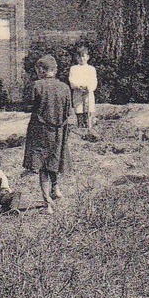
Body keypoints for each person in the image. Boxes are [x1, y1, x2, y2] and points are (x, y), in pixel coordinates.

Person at [23, 55, 74, 210]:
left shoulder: (37, 86)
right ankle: (56, 187)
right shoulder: (64, 87)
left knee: (42, 167)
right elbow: (68, 112)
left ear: (41, 70)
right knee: (54, 160)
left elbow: (27, 107)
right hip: (59, 131)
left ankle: (48, 204)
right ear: (55, 70)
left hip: (40, 131)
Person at [67, 47, 98, 135]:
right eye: (79, 57)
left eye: (83, 56)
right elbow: (71, 79)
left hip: (88, 91)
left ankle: (89, 126)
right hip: (78, 90)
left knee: (89, 106)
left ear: (88, 57)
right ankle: (80, 126)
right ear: (76, 58)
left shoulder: (91, 69)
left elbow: (94, 80)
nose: (81, 59)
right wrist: (78, 86)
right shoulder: (74, 68)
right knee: (78, 106)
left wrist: (89, 87)